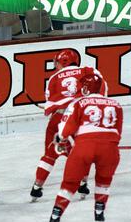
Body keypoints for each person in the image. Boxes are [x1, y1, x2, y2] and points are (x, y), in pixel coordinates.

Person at [30, 49, 108, 202]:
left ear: (63, 62)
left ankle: (37, 187)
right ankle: (83, 184)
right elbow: (102, 88)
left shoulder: (53, 78)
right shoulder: (88, 70)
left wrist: (53, 107)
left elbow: (49, 100)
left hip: (60, 117)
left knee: (49, 154)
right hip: (81, 116)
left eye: (57, 63)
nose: (56, 66)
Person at [49, 74, 123, 222]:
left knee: (70, 182)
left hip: (84, 147)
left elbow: (65, 129)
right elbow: (118, 131)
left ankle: (56, 214)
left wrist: (60, 137)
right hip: (110, 148)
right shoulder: (116, 104)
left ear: (86, 88)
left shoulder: (79, 103)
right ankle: (99, 212)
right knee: (104, 181)